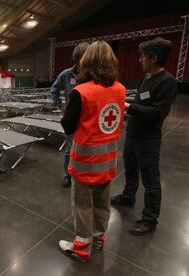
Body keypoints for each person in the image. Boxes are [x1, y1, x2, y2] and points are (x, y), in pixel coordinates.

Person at [58, 41, 126, 262]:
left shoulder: (81, 92)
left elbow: (67, 125)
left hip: (85, 162)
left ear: (86, 62)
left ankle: (81, 248)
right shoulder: (120, 89)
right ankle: (98, 238)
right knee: (102, 202)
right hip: (108, 160)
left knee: (83, 205)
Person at [111, 37, 177, 235]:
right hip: (133, 134)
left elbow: (158, 113)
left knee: (151, 180)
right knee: (130, 170)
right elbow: (143, 105)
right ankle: (128, 197)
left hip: (148, 139)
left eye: (143, 57)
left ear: (153, 58)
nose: (140, 60)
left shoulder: (168, 82)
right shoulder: (147, 78)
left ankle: (149, 218)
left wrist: (130, 106)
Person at [51, 42, 89, 188]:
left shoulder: (92, 75)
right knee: (69, 148)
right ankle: (67, 175)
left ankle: (83, 173)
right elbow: (54, 90)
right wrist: (61, 106)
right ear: (76, 58)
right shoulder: (66, 75)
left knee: (86, 148)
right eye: (80, 59)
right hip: (72, 119)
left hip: (88, 118)